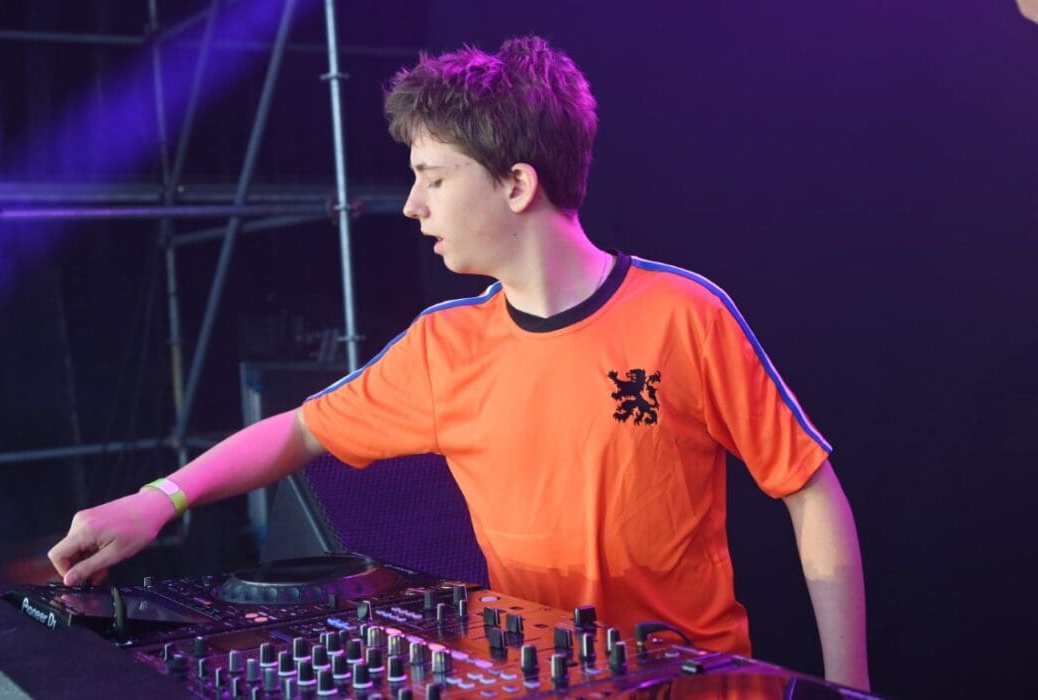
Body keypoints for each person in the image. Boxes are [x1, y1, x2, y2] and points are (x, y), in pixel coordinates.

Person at [49, 36, 869, 690]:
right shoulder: (443, 347)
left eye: (433, 178)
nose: (412, 206)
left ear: (517, 184)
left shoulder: (686, 314)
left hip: (698, 686)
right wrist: (157, 500)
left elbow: (809, 491)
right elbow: (299, 431)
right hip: (529, 682)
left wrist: (846, 688)